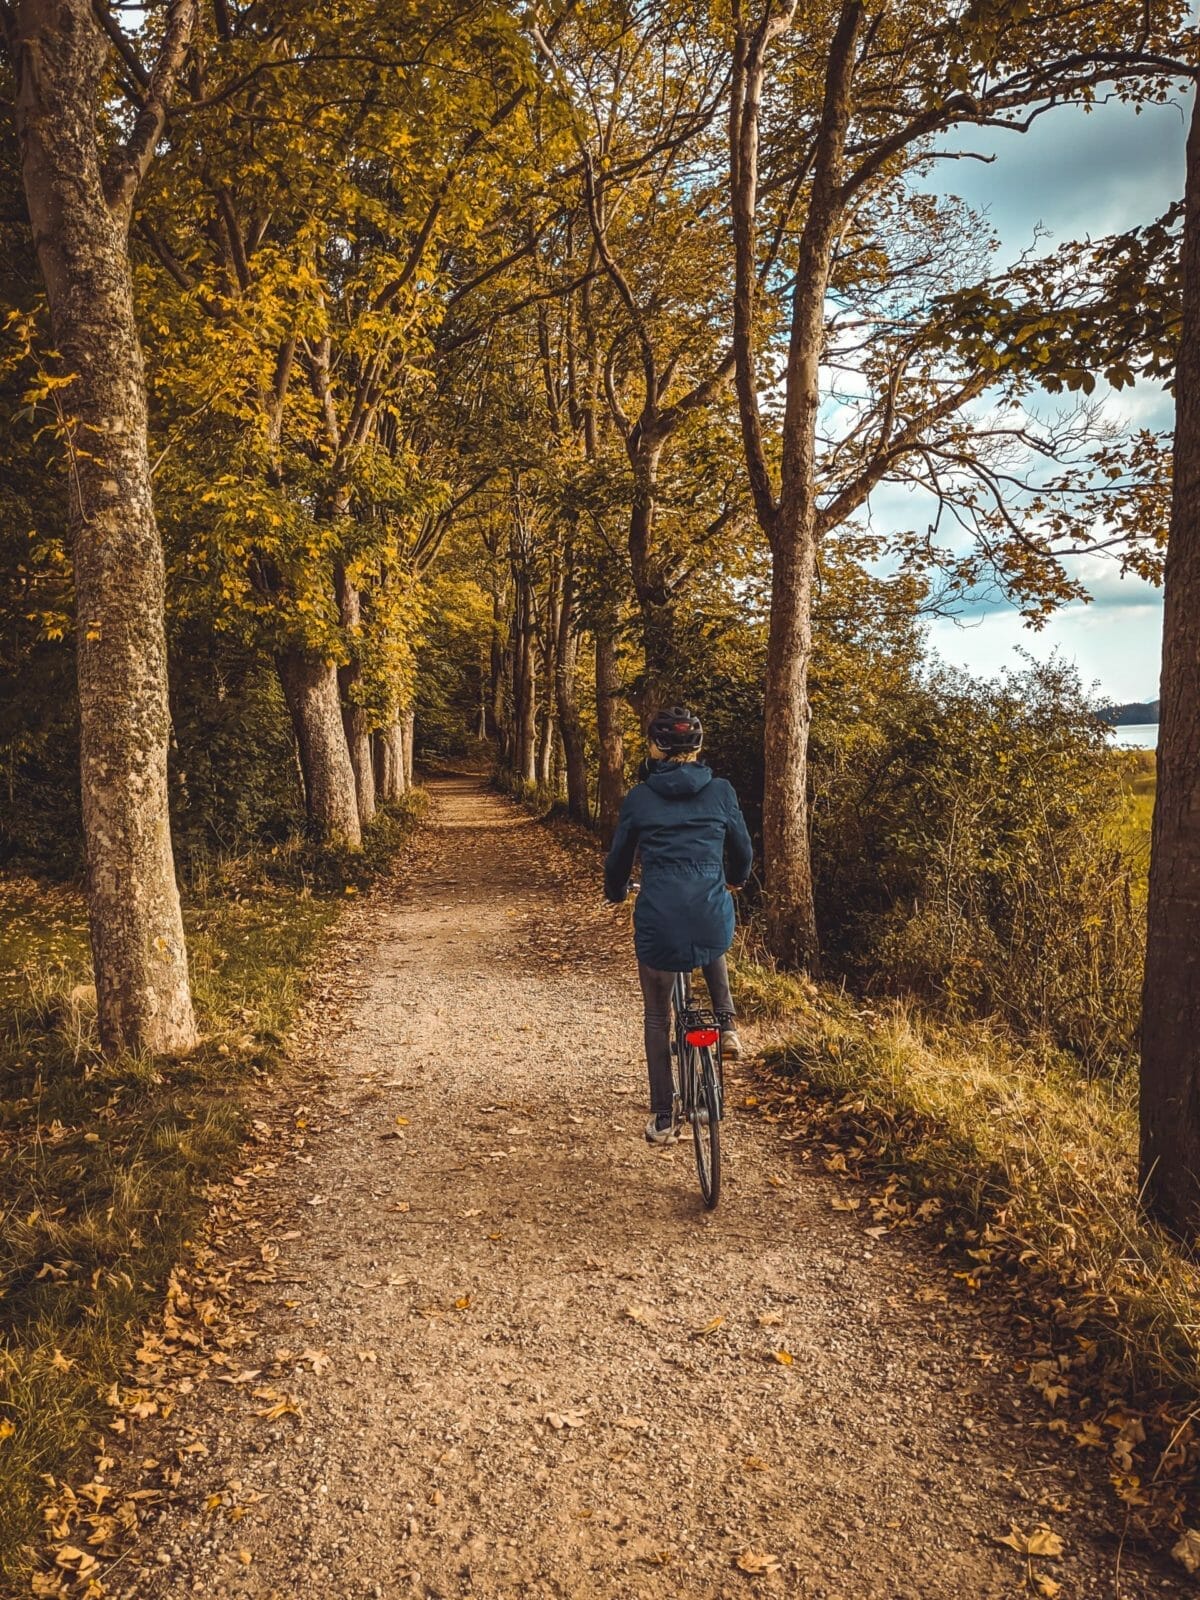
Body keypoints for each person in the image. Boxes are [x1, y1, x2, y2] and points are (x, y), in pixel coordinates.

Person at [603, 706, 754, 1145]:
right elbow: (742, 848)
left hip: (659, 921)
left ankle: (664, 1117)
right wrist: (736, 879)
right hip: (710, 916)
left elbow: (618, 859)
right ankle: (726, 1025)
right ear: (698, 747)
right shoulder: (722, 791)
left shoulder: (640, 797)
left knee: (657, 1015)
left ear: (656, 747)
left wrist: (615, 891)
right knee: (712, 925)